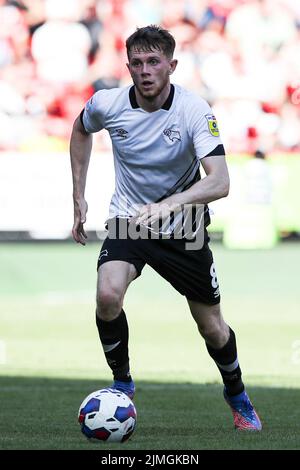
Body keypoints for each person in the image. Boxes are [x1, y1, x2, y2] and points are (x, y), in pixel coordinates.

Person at [70, 25, 262, 431]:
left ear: (171, 65)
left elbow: (220, 181)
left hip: (184, 226)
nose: (145, 70)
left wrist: (169, 205)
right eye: (137, 63)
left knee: (211, 326)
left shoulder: (194, 110)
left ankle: (237, 395)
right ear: (128, 67)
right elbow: (80, 128)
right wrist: (79, 194)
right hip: (130, 219)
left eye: (154, 61)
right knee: (107, 295)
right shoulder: (108, 103)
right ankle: (122, 383)